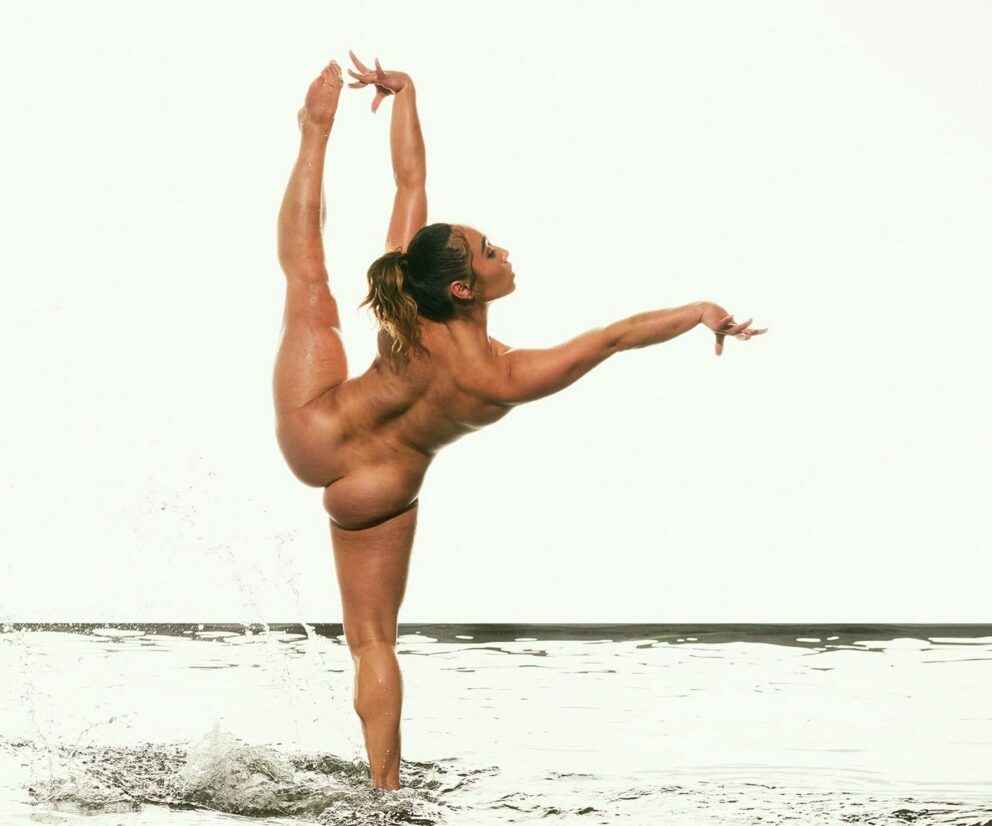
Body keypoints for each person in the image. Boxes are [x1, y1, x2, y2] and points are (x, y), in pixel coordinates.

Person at [273, 54, 766, 790]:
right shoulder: (503, 378)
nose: (504, 253)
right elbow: (613, 338)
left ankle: (310, 135)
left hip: (315, 432)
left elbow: (410, 184)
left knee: (308, 282)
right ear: (465, 288)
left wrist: (402, 96)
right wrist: (698, 311)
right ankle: (386, 792)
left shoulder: (410, 312)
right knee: (373, 643)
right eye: (489, 251)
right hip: (379, 490)